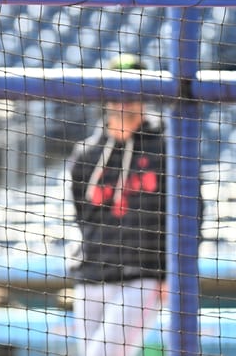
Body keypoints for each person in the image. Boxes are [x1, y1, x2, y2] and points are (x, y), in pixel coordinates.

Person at [66, 55, 166, 356]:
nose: (124, 101)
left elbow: (191, 216)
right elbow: (81, 216)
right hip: (92, 274)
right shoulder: (86, 154)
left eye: (133, 93)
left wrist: (172, 274)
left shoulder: (168, 147)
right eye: (118, 92)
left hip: (144, 275)